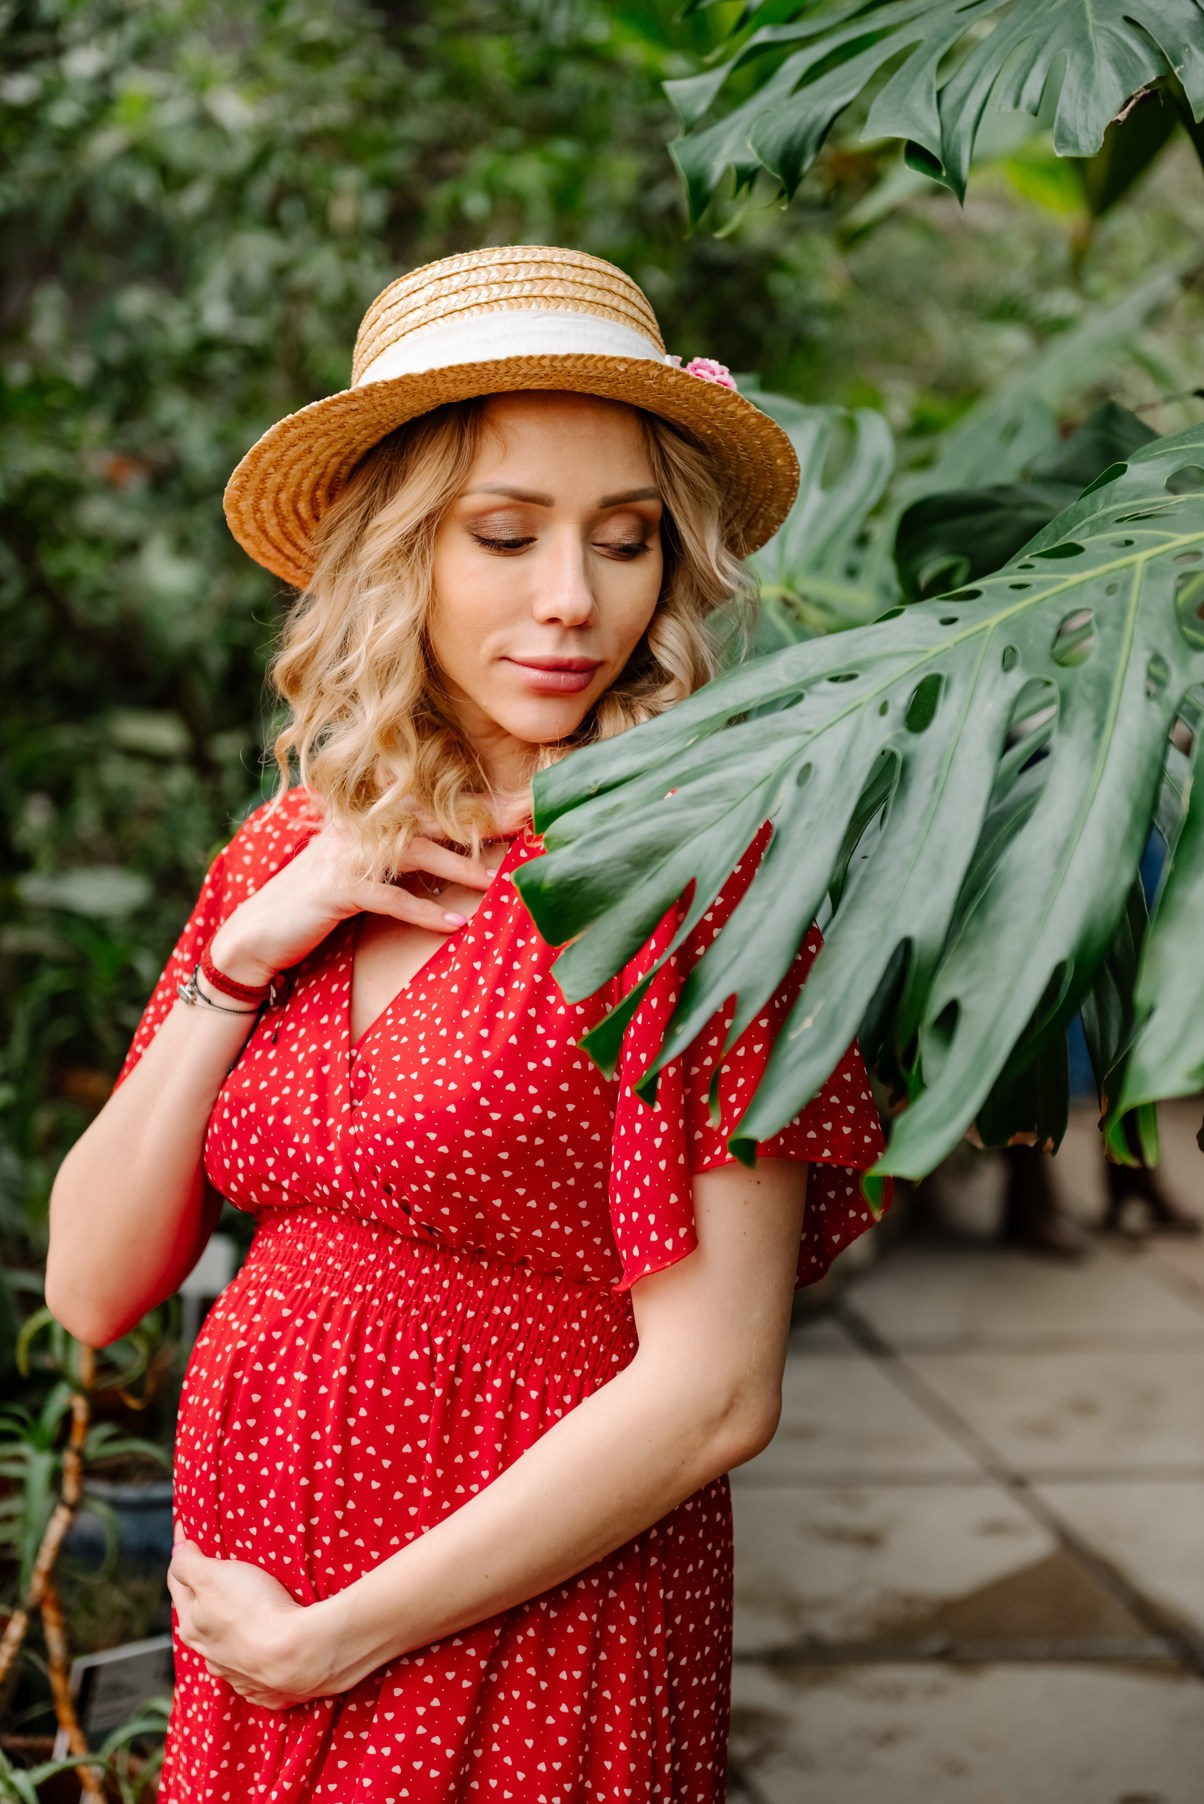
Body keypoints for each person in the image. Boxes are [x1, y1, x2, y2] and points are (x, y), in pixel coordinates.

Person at [46, 245, 889, 1802]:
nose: (573, 600)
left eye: (625, 542)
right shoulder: (290, 851)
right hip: (263, 1624)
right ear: (395, 555)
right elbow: (93, 1287)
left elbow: (715, 1390)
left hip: (516, 1610)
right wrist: (246, 952)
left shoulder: (699, 872)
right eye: (504, 536)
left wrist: (341, 1639)